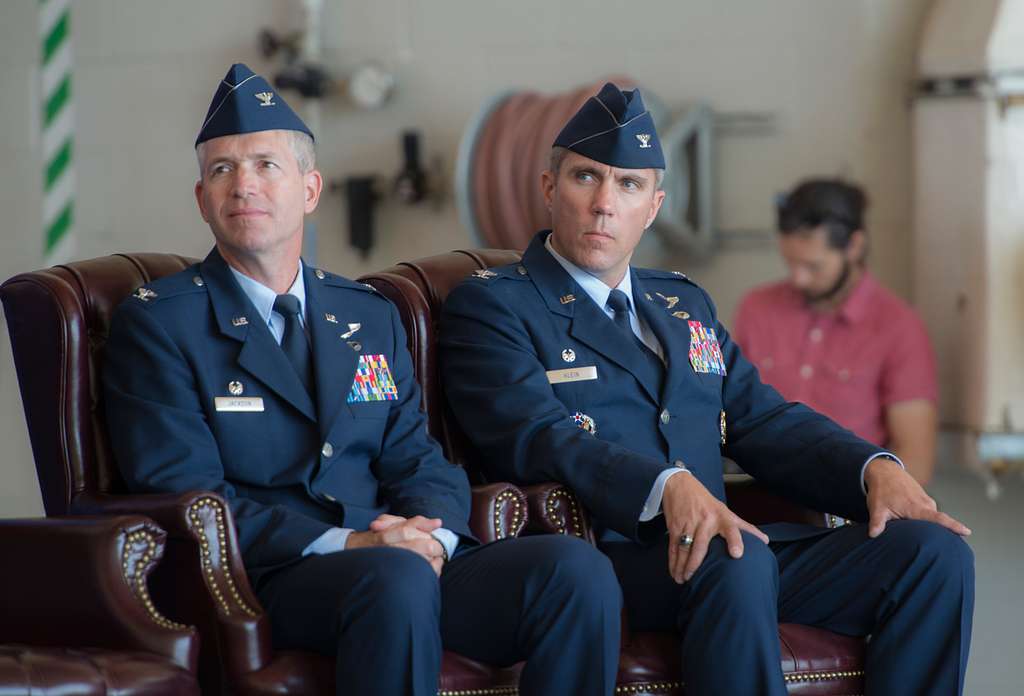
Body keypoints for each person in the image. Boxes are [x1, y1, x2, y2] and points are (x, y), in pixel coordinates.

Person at [102, 63, 621, 696]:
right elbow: (188, 494)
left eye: (266, 165)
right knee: (392, 579)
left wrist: (432, 535)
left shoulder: (365, 313)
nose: (244, 185)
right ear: (202, 200)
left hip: (391, 562)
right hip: (269, 576)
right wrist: (347, 543)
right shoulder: (161, 324)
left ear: (310, 189)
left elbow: (415, 455)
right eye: (222, 170)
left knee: (576, 570)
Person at [440, 82, 974, 696]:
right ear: (548, 188)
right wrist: (663, 486)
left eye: (629, 185)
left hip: (721, 553)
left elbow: (760, 420)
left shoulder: (681, 303)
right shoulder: (495, 306)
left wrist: (872, 468)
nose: (604, 204)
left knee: (933, 556)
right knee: (734, 555)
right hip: (606, 557)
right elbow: (536, 436)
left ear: (654, 205)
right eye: (586, 178)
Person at [733, 179, 938, 484]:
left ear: (854, 246)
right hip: (754, 499)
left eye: (813, 267)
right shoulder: (757, 308)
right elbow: (726, 410)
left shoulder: (898, 327)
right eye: (790, 264)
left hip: (850, 508)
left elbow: (915, 460)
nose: (799, 279)